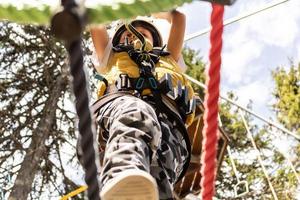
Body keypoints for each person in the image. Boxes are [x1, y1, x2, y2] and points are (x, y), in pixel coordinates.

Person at [90, 10, 196, 200]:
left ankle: (135, 187)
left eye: (143, 32)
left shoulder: (169, 57)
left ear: (155, 39)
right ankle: (122, 172)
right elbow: (95, 19)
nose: (134, 35)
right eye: (128, 33)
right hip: (121, 108)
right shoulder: (111, 56)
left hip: (170, 128)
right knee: (137, 113)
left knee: (157, 184)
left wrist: (154, 8)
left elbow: (178, 18)